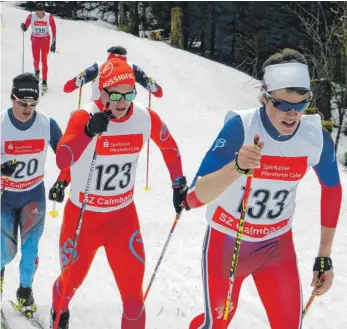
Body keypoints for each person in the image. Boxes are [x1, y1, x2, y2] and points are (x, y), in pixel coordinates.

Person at [185, 48, 342, 329]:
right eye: (282, 104)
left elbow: (332, 189)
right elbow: (193, 198)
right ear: (264, 96)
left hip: (276, 247)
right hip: (228, 241)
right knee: (216, 323)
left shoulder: (315, 137)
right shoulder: (240, 127)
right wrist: (236, 167)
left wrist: (324, 257)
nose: (292, 115)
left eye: (301, 104)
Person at [50, 58, 187, 329]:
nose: (123, 101)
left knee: (134, 299)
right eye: (115, 94)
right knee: (69, 285)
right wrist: (88, 132)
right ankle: (59, 312)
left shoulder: (145, 118)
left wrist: (178, 184)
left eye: (129, 93)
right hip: (83, 218)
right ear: (101, 92)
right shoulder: (83, 116)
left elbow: (169, 147)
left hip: (122, 220)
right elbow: (63, 159)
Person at [0, 73, 70, 318]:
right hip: (5, 198)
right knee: (4, 252)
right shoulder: (1, 124)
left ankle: (24, 292)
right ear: (12, 98)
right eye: (22, 103)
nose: (27, 109)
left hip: (33, 195)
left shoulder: (46, 124)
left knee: (30, 251)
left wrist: (63, 181)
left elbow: (66, 156)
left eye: (32, 104)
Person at [63, 45, 163, 101]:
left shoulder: (98, 66)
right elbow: (158, 93)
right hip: (122, 111)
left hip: (97, 110)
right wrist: (154, 87)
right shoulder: (132, 67)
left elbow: (67, 88)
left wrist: (76, 82)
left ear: (109, 55)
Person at [21, 2, 57, 92]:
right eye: (37, 13)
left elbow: (54, 29)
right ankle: (37, 72)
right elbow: (26, 25)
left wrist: (54, 42)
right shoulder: (31, 16)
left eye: (40, 13)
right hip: (35, 41)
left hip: (45, 41)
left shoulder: (49, 17)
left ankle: (44, 81)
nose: (39, 15)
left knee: (44, 62)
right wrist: (24, 27)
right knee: (36, 60)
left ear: (43, 11)